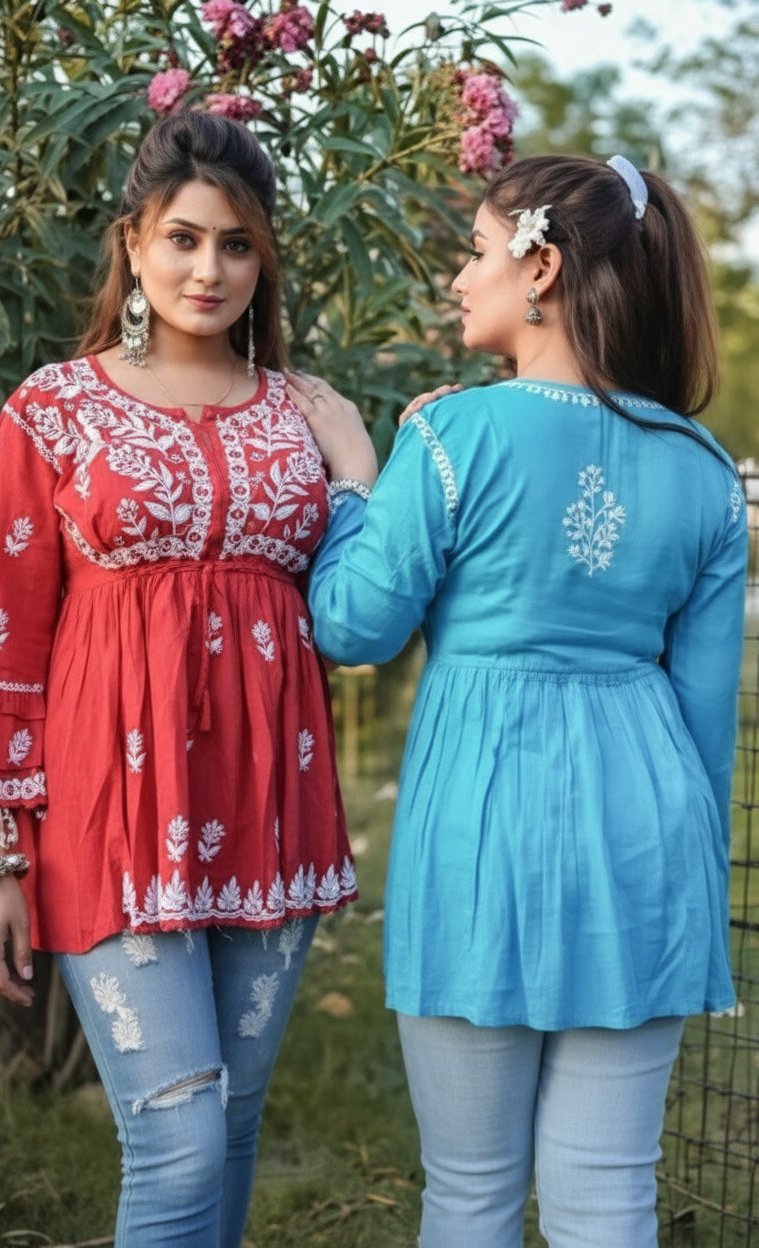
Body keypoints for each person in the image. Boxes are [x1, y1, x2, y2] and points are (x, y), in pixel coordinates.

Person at [290, 154, 747, 1247]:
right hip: (648, 845)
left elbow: (353, 625)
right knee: (606, 1201)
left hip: (478, 836)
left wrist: (356, 477)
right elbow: (707, 720)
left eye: (477, 250)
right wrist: (688, 886)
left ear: (539, 268)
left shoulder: (450, 437)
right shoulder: (703, 468)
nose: (458, 275)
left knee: (471, 1195)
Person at [0, 109, 357, 1247]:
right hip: (113, 817)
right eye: (182, 238)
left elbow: (359, 600)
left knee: (232, 1127)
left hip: (269, 811)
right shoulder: (56, 409)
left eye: (236, 244)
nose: (208, 268)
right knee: (176, 1142)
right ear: (130, 242)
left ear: (263, 257)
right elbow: (0, 638)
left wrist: (358, 469)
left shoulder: (301, 415)